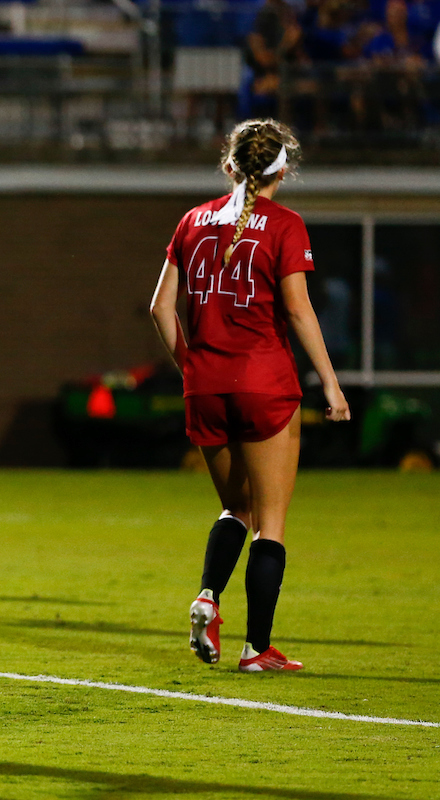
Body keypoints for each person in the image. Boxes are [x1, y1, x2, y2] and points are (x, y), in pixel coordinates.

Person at [150, 118, 350, 673]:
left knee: (233, 507)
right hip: (264, 385)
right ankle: (256, 648)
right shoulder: (285, 225)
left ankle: (208, 596)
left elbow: (161, 309)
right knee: (271, 522)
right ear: (282, 170)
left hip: (205, 387)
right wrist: (330, 383)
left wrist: (190, 366)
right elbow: (297, 308)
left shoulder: (192, 220)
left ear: (230, 165)